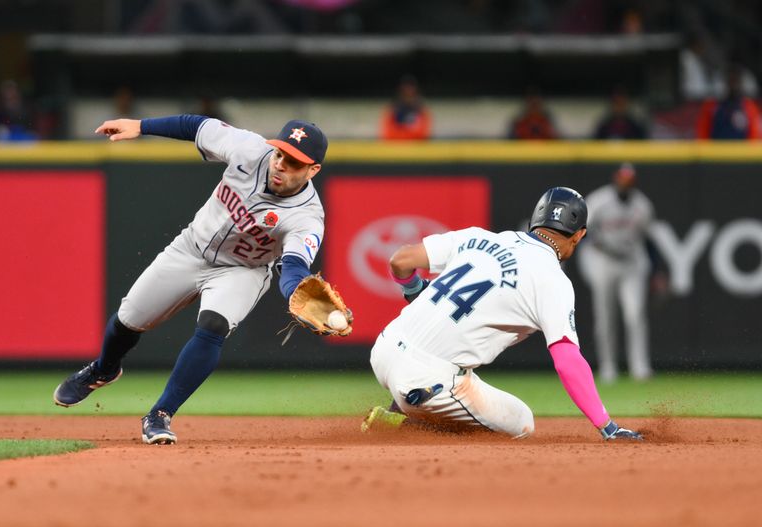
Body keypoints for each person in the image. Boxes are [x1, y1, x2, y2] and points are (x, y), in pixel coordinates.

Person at [53, 114, 329, 444]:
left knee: (213, 325)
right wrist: (141, 127)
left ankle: (159, 414)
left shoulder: (307, 216)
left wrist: (299, 293)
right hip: (190, 248)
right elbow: (196, 126)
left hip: (241, 271)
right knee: (127, 321)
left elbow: (294, 265)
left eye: (295, 162)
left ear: (313, 170)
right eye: (280, 153)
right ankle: (104, 369)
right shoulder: (248, 149)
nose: (281, 165)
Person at [362, 187, 642, 441]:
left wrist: (414, 291)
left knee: (459, 370)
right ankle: (405, 426)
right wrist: (607, 426)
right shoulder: (552, 280)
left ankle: (399, 410)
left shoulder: (476, 237)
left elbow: (400, 260)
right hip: (424, 382)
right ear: (580, 234)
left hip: (383, 350)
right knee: (522, 422)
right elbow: (568, 361)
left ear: (535, 220)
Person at [577, 163, 658, 383]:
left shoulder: (642, 205)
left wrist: (657, 269)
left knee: (635, 313)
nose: (625, 183)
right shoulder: (600, 200)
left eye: (629, 179)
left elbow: (650, 240)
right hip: (603, 260)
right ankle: (608, 366)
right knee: (605, 316)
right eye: (622, 178)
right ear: (616, 179)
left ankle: (639, 367)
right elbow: (581, 228)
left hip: (632, 262)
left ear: (633, 182)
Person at [695, 64, 761, 140]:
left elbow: (755, 136)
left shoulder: (749, 107)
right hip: (715, 150)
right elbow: (702, 133)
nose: (733, 85)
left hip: (742, 150)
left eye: (736, 81)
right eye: (730, 81)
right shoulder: (711, 106)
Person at [380, 75, 432, 140]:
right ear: (401, 89)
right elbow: (387, 130)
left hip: (415, 143)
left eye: (410, 87)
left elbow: (424, 131)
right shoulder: (393, 108)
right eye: (406, 87)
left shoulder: (420, 108)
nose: (408, 90)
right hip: (397, 143)